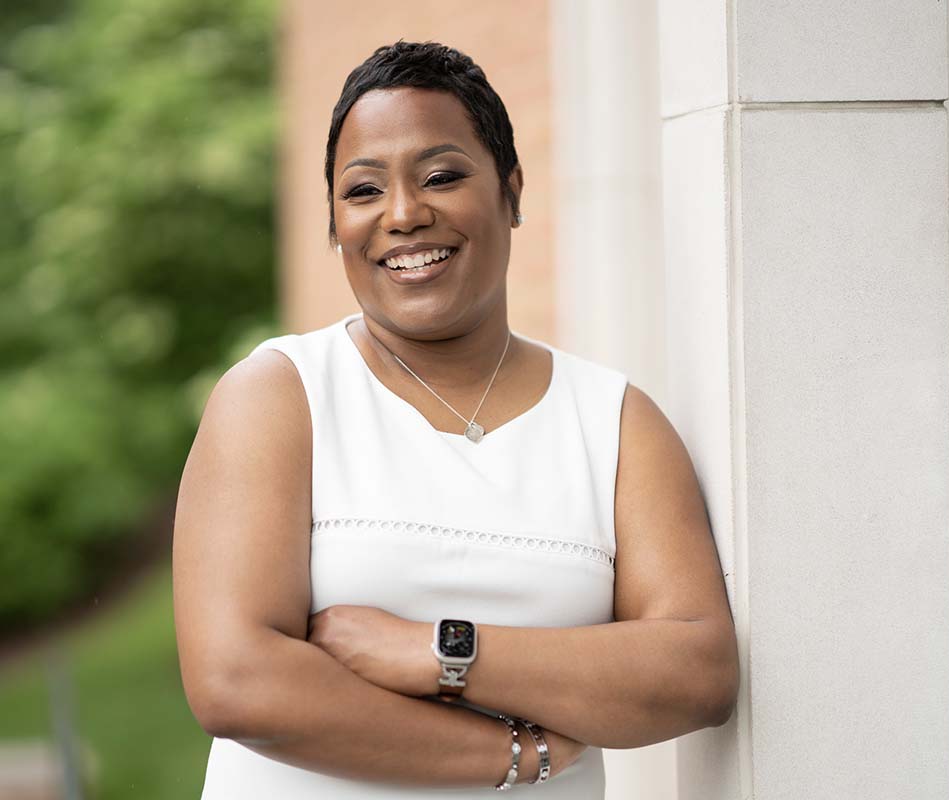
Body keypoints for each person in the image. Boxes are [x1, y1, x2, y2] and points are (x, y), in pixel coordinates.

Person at [172, 40, 738, 798]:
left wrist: (440, 651)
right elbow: (235, 680)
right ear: (334, 223)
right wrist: (521, 753)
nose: (404, 214)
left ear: (510, 192)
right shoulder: (280, 396)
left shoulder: (615, 423)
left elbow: (695, 671)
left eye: (441, 176)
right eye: (363, 190)